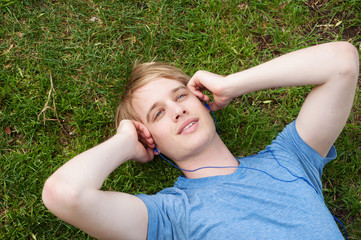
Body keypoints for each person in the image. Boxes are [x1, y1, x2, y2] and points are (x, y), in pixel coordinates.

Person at [42, 42, 359, 239]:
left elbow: (342, 62)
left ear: (204, 103)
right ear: (152, 140)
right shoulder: (170, 216)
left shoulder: (289, 159)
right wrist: (127, 140)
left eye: (180, 96)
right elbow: (64, 194)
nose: (177, 110)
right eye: (158, 114)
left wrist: (230, 84)